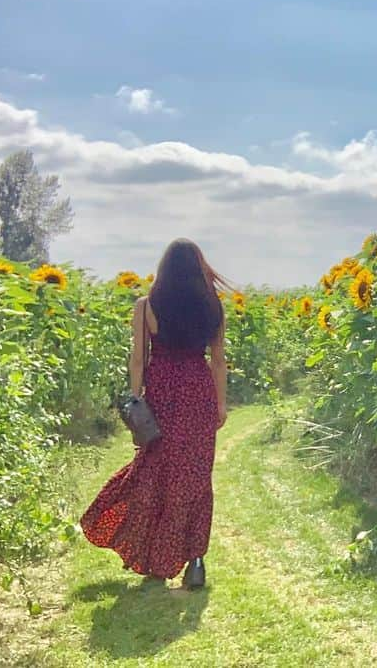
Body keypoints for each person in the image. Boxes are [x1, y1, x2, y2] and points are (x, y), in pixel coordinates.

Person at [81, 239, 229, 590]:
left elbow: (138, 359)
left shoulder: (146, 306)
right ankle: (195, 562)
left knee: (153, 471)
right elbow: (218, 360)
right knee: (195, 476)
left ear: (164, 271)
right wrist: (220, 405)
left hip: (162, 391)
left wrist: (135, 400)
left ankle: (155, 560)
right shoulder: (212, 307)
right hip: (198, 391)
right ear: (199, 269)